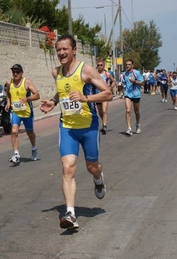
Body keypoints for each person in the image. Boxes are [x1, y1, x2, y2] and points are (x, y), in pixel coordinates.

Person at [39, 34, 112, 230]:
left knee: (91, 167)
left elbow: (108, 93)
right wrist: (53, 102)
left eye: (65, 49)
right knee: (68, 168)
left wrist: (85, 98)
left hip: (88, 126)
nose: (61, 53)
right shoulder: (56, 72)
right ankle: (70, 213)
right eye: (58, 50)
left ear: (74, 50)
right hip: (68, 127)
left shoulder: (86, 70)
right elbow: (63, 91)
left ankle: (98, 178)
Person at [5, 64, 40, 164]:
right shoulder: (9, 82)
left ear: (22, 73)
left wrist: (27, 99)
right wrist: (8, 102)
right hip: (15, 112)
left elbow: (37, 95)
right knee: (14, 131)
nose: (15, 74)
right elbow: (8, 93)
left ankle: (34, 149)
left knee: (30, 132)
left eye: (17, 72)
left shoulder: (26, 82)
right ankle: (16, 154)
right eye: (13, 72)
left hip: (27, 112)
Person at [121, 59, 143, 136]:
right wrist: (122, 92)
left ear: (132, 65)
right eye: (126, 64)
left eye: (129, 64)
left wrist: (134, 81)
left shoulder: (136, 73)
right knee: (128, 110)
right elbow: (123, 84)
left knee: (136, 111)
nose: (127, 66)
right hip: (127, 94)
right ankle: (129, 128)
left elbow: (142, 83)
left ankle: (137, 124)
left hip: (136, 94)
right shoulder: (124, 74)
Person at [95, 59, 115, 134]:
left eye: (101, 65)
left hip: (105, 94)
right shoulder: (94, 74)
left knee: (104, 110)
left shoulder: (107, 74)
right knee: (100, 112)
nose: (100, 67)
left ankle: (104, 125)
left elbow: (113, 81)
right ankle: (104, 121)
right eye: (98, 65)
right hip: (97, 95)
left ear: (103, 66)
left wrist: (110, 87)